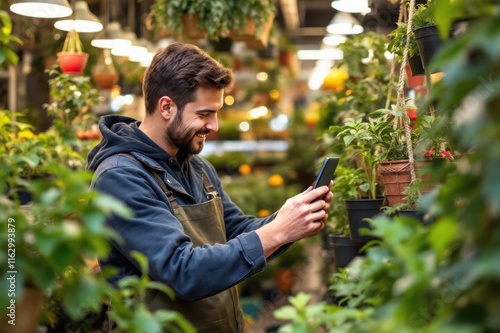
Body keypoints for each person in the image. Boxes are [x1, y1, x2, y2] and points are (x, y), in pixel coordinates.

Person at [87, 42, 333, 333]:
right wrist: (277, 231)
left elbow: (237, 230)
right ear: (166, 107)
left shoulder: (197, 167)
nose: (214, 126)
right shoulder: (120, 177)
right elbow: (181, 270)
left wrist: (292, 220)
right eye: (204, 114)